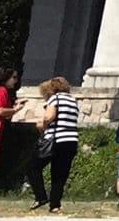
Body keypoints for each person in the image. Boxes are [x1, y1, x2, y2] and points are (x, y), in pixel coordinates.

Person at [26, 78, 80, 212]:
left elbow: (48, 117)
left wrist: (42, 125)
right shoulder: (73, 101)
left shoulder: (55, 99)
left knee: (33, 166)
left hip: (56, 140)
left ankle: (40, 196)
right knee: (59, 174)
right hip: (71, 140)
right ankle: (55, 205)